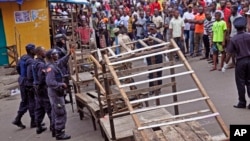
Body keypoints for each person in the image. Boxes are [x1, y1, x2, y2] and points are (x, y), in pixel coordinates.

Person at [45, 48, 73, 140]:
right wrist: (61, 84)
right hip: (55, 93)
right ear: (51, 56)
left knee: (55, 112)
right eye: (55, 54)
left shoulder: (54, 64)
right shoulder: (51, 68)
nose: (57, 55)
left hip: (57, 92)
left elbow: (61, 61)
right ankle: (59, 133)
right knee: (60, 112)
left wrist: (68, 55)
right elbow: (50, 82)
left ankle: (55, 130)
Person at [223, 17, 250, 109]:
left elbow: (229, 53)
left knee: (240, 82)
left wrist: (225, 63)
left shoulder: (234, 39)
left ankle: (242, 102)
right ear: (244, 26)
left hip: (241, 61)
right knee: (249, 82)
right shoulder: (249, 36)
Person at [12, 44, 37, 129]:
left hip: (22, 81)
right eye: (34, 49)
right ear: (31, 51)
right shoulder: (30, 61)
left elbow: (18, 68)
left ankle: (18, 119)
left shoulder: (23, 58)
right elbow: (30, 74)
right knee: (32, 101)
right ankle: (33, 121)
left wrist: (22, 76)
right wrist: (31, 81)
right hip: (27, 83)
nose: (36, 50)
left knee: (25, 101)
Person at [33, 47, 52, 134]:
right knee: (48, 106)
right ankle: (53, 126)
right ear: (40, 53)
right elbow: (42, 76)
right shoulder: (40, 64)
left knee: (39, 107)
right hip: (42, 88)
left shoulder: (35, 62)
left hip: (37, 87)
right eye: (44, 51)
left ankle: (39, 126)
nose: (46, 52)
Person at [146, 23, 163, 101]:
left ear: (155, 29)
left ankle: (158, 88)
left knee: (159, 72)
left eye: (153, 29)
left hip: (158, 55)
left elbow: (161, 44)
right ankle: (152, 89)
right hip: (150, 57)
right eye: (150, 29)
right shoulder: (147, 36)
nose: (151, 30)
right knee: (151, 73)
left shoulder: (159, 35)